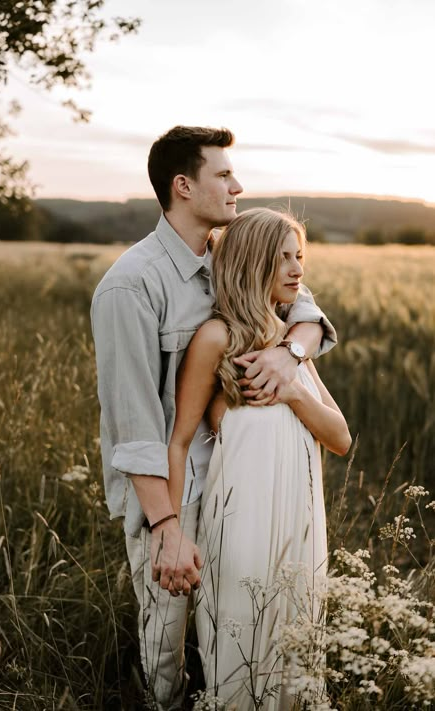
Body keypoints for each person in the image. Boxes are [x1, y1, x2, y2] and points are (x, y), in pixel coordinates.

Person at [90, 126, 337, 710]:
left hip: (236, 485)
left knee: (236, 634)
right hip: (171, 493)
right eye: (223, 175)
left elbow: (305, 309)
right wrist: (165, 528)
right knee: (167, 648)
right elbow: (136, 427)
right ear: (183, 186)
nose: (238, 185)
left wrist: (289, 352)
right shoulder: (131, 286)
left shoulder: (227, 256)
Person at [168, 208, 351, 709]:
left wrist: (294, 390)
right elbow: (180, 440)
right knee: (240, 659)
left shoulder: (291, 346)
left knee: (296, 656)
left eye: (300, 257)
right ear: (252, 262)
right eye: (283, 258)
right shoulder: (217, 338)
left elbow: (341, 438)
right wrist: (175, 529)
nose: (297, 269)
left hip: (300, 526)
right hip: (240, 529)